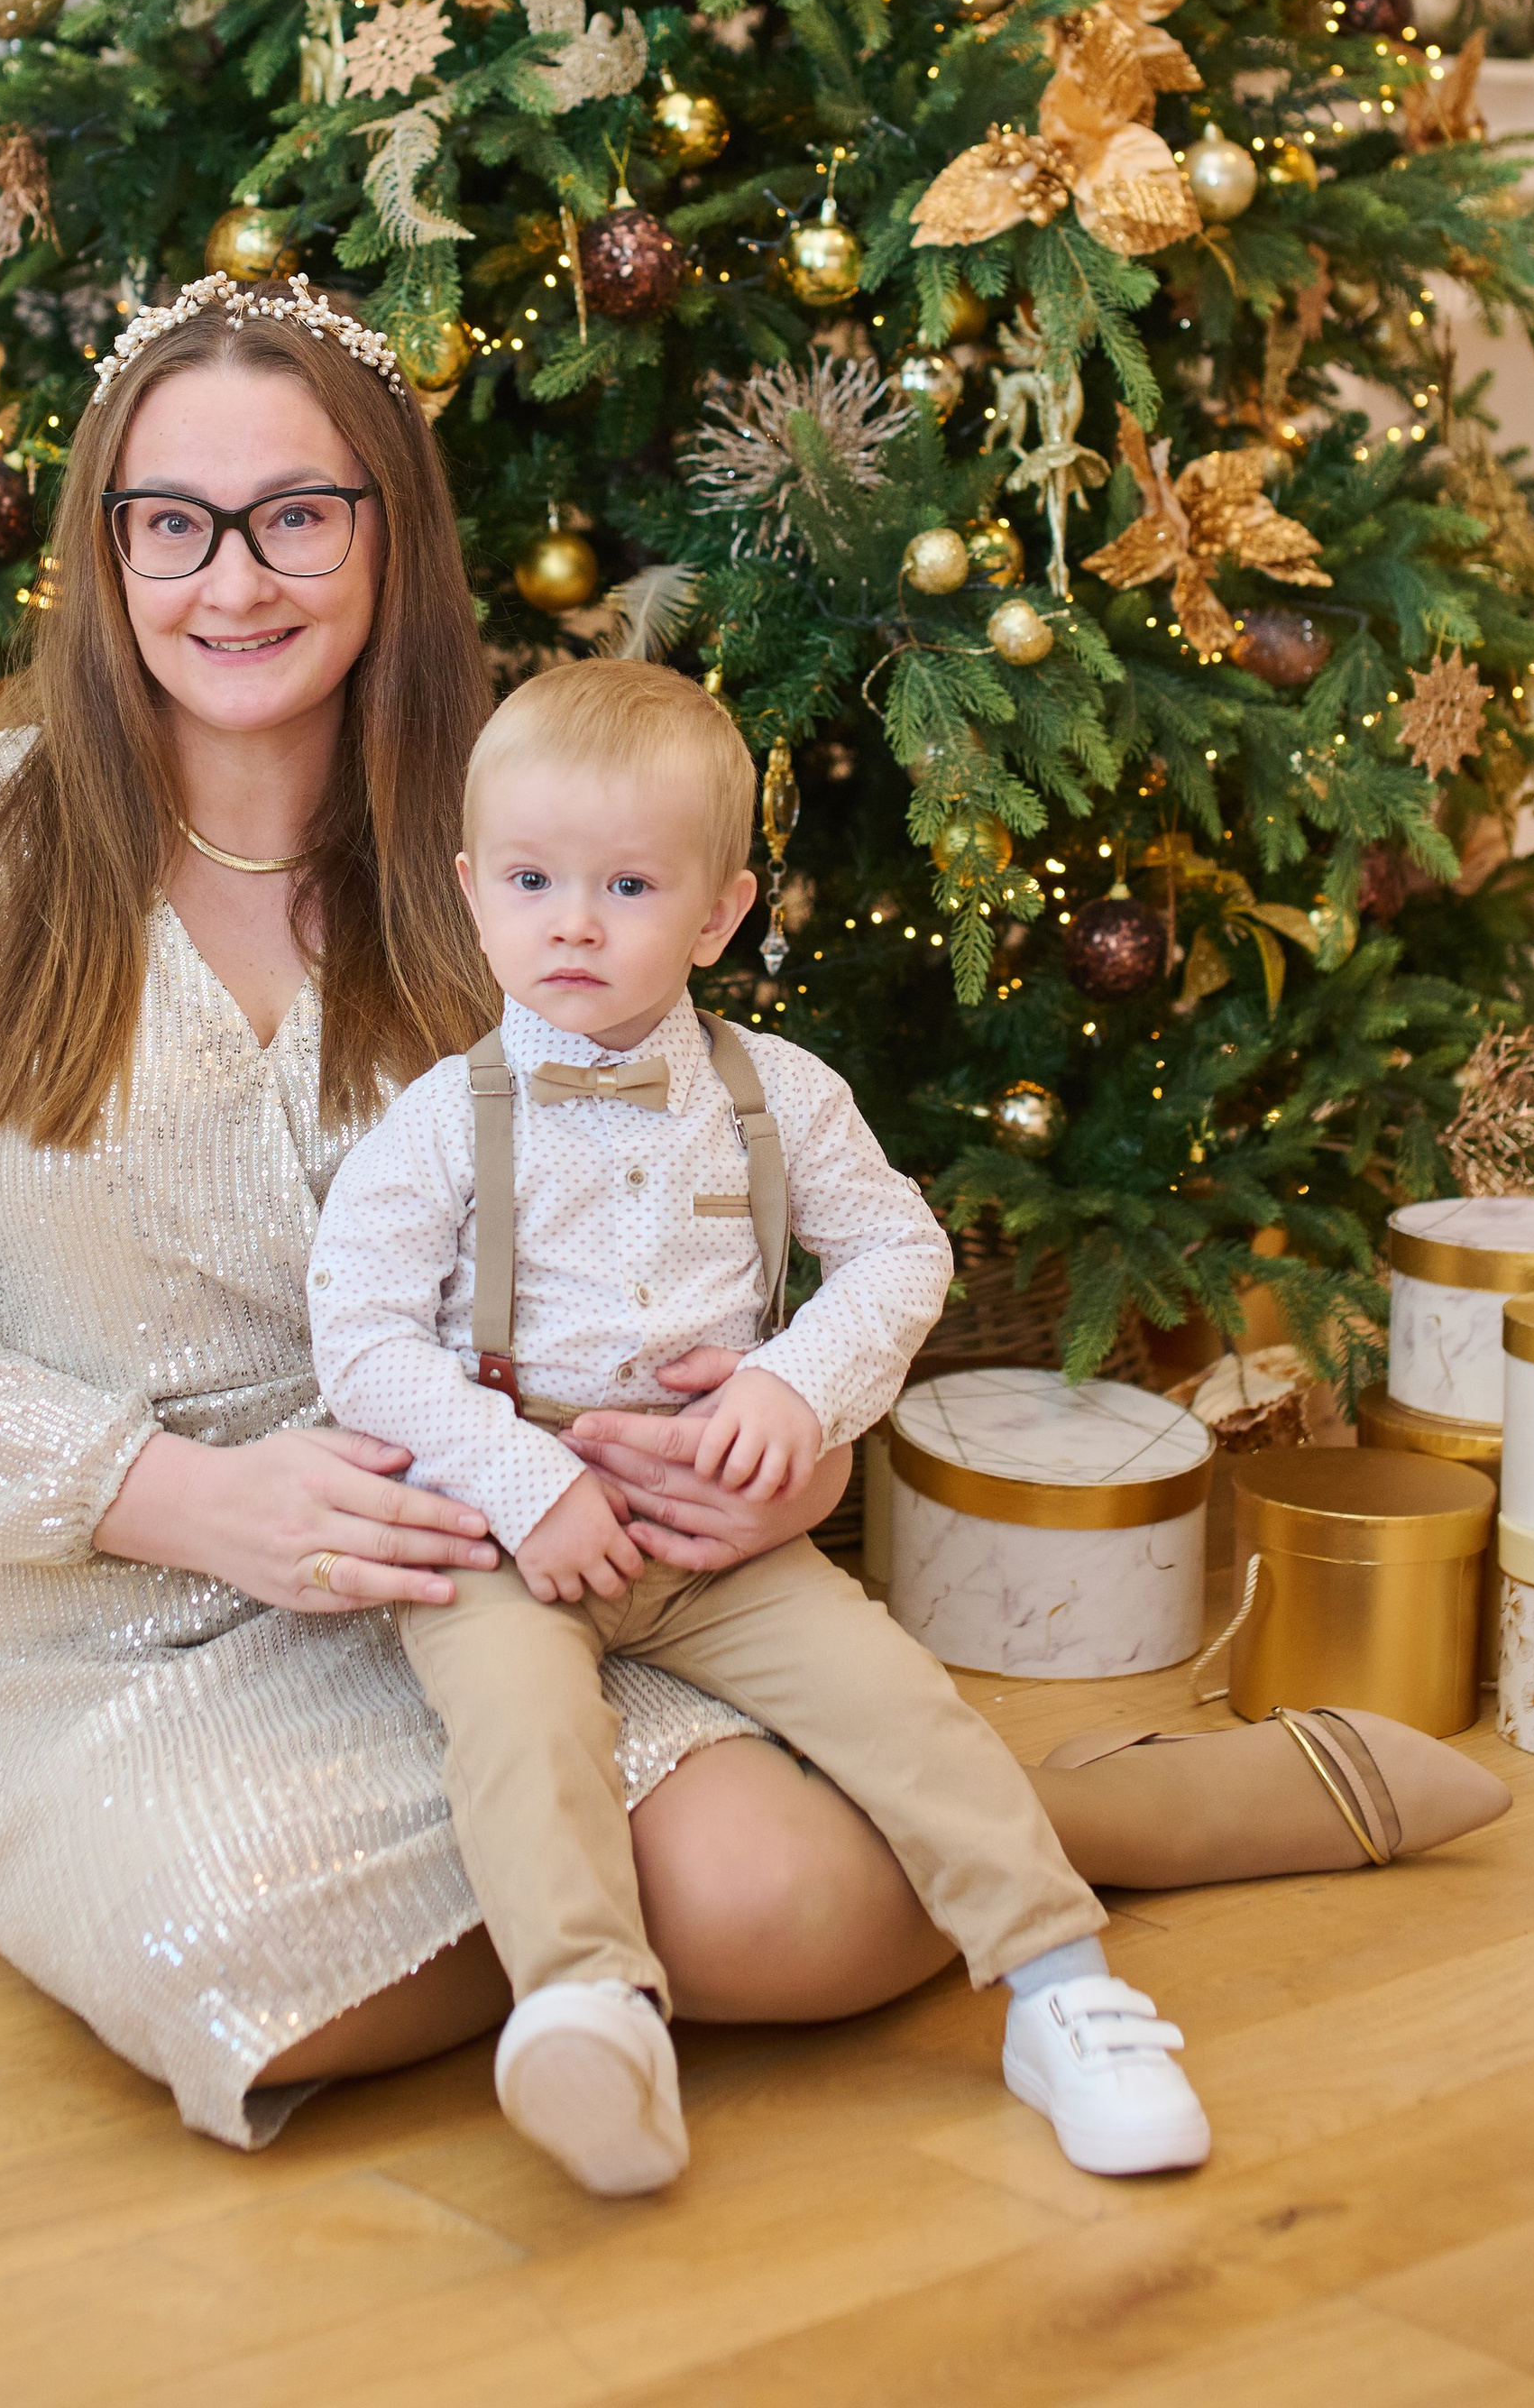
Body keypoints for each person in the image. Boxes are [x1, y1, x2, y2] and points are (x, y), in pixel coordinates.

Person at [0, 271, 1506, 2155]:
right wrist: (191, 1497)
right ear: (106, 545)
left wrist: (771, 1445)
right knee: (244, 1967)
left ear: (385, 533)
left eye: (297, 515)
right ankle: (986, 1817)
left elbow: (705, 1225)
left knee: (803, 1916)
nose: (234, 578)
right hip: (97, 1628)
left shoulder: (526, 843)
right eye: (172, 522)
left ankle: (1062, 1818)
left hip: (512, 1559)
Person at [310, 658, 1208, 2193]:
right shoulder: (440, 1121)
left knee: (902, 1703)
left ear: (720, 914)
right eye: (532, 880)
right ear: (473, 894)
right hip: (509, 1525)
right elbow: (362, 1337)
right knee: (525, 1729)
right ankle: (590, 2009)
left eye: (628, 885)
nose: (574, 922)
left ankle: (1062, 1990)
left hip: (717, 1533)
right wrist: (525, 1484)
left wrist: (796, 1390)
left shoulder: (774, 1090)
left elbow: (900, 1252)